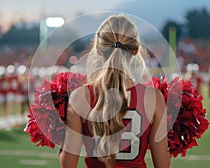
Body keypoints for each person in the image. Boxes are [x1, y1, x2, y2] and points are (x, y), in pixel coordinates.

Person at [59, 15, 171, 168]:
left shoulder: (80, 97)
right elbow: (163, 165)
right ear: (136, 50)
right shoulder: (154, 98)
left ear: (98, 49)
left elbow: (68, 165)